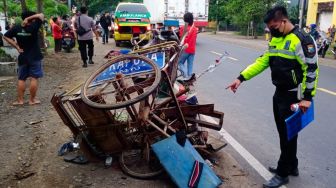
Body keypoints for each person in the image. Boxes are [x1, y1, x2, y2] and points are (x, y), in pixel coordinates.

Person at [226, 6, 318, 188]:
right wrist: (241, 77)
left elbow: (311, 70)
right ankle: (292, 165)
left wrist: (307, 97)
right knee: (287, 133)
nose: (271, 30)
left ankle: (283, 172)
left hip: (295, 97)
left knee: (287, 135)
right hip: (280, 94)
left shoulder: (302, 40)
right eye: (269, 27)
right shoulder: (276, 40)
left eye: (273, 26)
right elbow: (263, 61)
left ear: (283, 21)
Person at [3, 11, 45, 106]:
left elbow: (5, 36)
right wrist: (29, 19)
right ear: (32, 18)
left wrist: (17, 47)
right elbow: (41, 15)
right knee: (34, 78)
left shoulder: (17, 27)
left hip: (23, 56)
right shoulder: (34, 26)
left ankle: (20, 100)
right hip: (35, 56)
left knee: (21, 79)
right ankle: (32, 100)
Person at [178, 12, 198, 79]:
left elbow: (181, 39)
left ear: (185, 19)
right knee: (190, 65)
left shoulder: (182, 28)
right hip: (192, 50)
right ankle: (190, 78)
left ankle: (186, 77)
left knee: (179, 63)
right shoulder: (195, 29)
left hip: (185, 49)